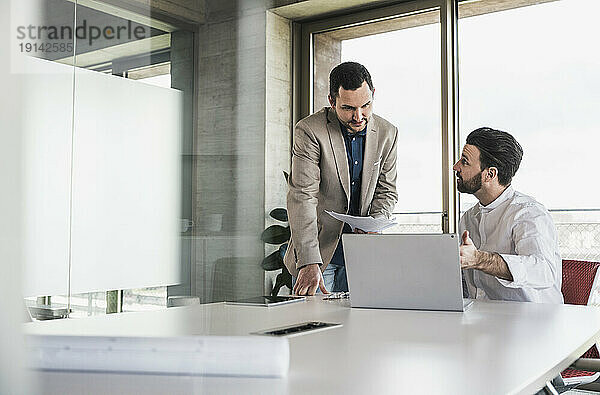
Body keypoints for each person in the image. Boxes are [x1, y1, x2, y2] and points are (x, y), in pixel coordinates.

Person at [284, 61, 398, 296]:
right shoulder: (309, 131)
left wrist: (375, 223)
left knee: (359, 328)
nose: (359, 116)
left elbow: (387, 190)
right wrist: (307, 261)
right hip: (318, 252)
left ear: (373, 95)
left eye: (365, 105)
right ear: (332, 101)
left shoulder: (388, 133)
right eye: (348, 108)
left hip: (362, 253)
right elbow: (302, 197)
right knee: (315, 326)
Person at [454, 127, 563, 303]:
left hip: (534, 322)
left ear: (490, 174)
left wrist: (479, 259)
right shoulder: (468, 218)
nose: (455, 167)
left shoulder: (529, 213)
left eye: (464, 162)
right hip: (484, 320)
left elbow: (543, 271)